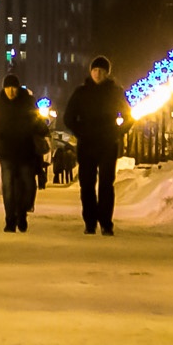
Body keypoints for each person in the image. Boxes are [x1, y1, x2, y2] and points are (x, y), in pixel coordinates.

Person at [62, 55, 133, 236]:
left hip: (108, 143)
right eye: (95, 70)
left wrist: (117, 132)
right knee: (87, 184)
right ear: (90, 72)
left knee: (106, 184)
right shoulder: (81, 92)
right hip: (87, 143)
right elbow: (68, 117)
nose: (97, 74)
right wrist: (81, 131)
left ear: (107, 74)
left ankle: (106, 223)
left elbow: (128, 116)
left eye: (101, 71)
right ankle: (90, 221)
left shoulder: (115, 92)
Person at [0, 74, 47, 233]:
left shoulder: (27, 104)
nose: (11, 91)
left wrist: (40, 130)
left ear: (18, 88)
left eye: (14, 87)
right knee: (8, 187)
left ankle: (22, 213)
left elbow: (39, 124)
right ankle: (10, 220)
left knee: (27, 186)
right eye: (8, 87)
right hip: (6, 153)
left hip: (25, 153)